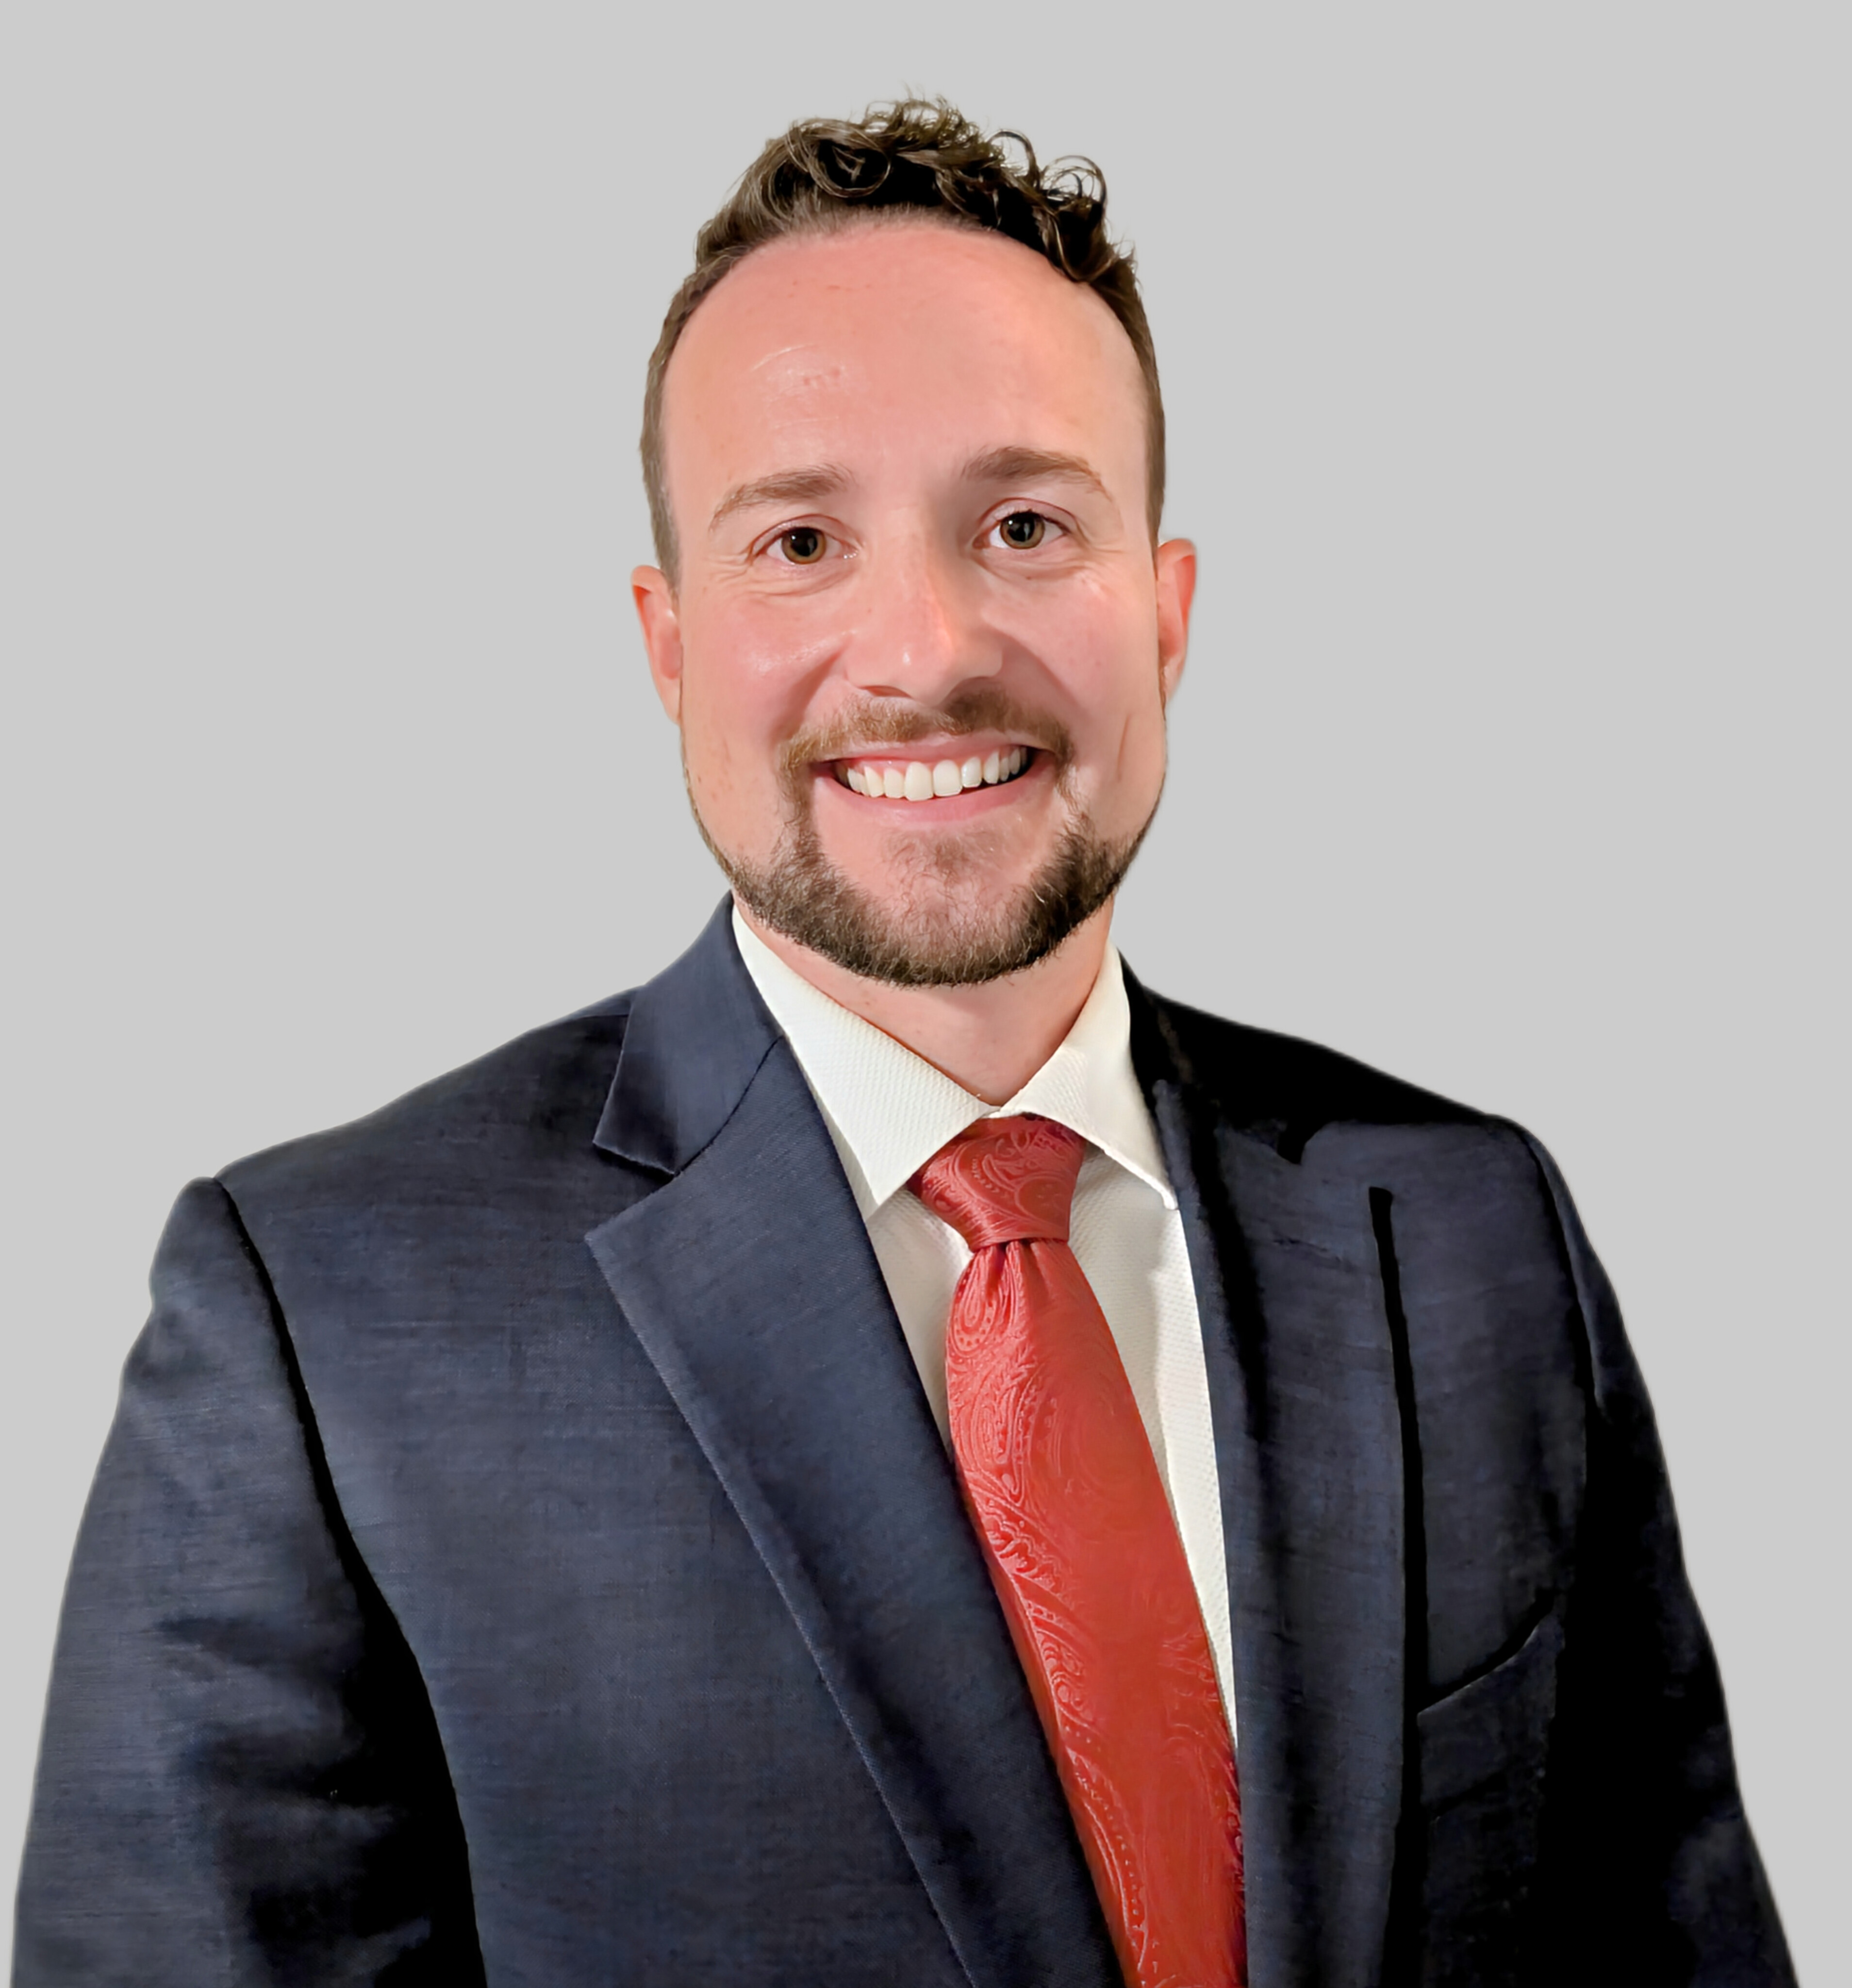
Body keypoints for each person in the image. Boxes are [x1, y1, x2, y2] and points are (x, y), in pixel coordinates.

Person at [13, 99, 1793, 1988]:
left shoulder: (1472, 1236)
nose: (925, 645)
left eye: (1025, 523)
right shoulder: (325, 1321)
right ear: (668, 642)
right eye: (799, 539)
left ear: (1166, 615)